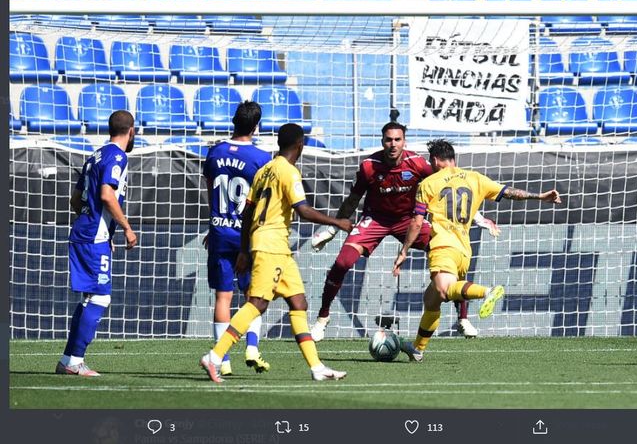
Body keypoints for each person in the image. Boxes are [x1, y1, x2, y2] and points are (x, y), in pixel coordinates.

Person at [309, 122, 499, 341]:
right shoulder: (369, 166)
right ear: (382, 141)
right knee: (342, 263)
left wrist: (477, 217)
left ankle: (463, 317)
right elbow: (353, 198)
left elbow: (449, 186)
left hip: (409, 221)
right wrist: (334, 227)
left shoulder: (417, 164)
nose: (393, 144)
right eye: (389, 140)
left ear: (404, 141)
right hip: (376, 220)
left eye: (397, 140)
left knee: (450, 245)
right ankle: (322, 318)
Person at [200, 123, 353, 383]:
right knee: (257, 303)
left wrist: (245, 249)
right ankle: (214, 357)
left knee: (298, 302)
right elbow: (303, 210)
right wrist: (337, 222)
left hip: (276, 247)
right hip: (271, 245)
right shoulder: (288, 172)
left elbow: (247, 212)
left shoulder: (264, 170)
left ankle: (317, 367)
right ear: (300, 145)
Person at [392, 139, 561, 362]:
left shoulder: (428, 184)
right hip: (464, 250)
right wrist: (538, 197)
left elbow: (416, 222)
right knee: (431, 300)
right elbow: (508, 192)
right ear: (452, 158)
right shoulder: (475, 178)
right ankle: (418, 349)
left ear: (434, 160)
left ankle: (487, 292)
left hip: (443, 245)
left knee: (443, 290)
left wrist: (404, 250)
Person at [56, 110, 138, 376]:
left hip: (85, 230)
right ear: (131, 130)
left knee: (90, 298)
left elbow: (75, 200)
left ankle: (68, 358)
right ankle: (75, 362)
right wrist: (125, 228)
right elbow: (106, 194)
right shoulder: (117, 156)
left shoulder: (95, 155)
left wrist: (99, 225)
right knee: (101, 297)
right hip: (93, 235)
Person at [202, 101, 272, 376]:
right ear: (257, 126)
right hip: (246, 235)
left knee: (223, 296)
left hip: (219, 230)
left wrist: (214, 221)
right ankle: (252, 347)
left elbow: (211, 188)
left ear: (233, 121)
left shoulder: (215, 152)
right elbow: (263, 202)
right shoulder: (261, 158)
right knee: (253, 294)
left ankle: (223, 359)